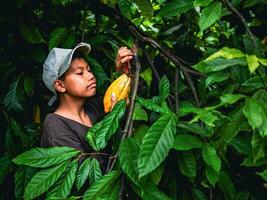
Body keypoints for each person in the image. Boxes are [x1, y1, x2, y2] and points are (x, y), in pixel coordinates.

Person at [40, 43, 133, 168]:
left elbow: (127, 95)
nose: (91, 76)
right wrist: (115, 120)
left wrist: (123, 74)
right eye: (79, 73)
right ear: (60, 86)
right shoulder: (55, 126)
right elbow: (87, 175)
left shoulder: (94, 106)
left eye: (89, 70)